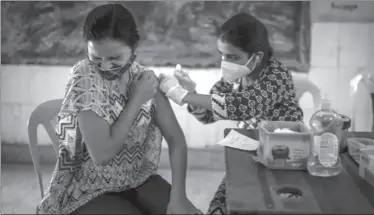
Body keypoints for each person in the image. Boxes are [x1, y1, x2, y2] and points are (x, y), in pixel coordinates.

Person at [36, 3, 200, 214]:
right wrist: (136, 100)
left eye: (114, 58)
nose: (104, 67)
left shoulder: (143, 78)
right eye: (95, 57)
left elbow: (176, 141)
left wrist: (179, 197)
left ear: (134, 48)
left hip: (137, 179)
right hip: (87, 188)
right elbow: (102, 155)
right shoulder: (84, 77)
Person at [159, 12, 304, 214]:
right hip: (250, 153)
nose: (226, 62)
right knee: (220, 207)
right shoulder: (236, 75)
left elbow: (242, 106)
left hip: (285, 157)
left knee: (268, 205)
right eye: (223, 55)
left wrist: (183, 95)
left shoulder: (276, 75)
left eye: (233, 56)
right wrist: (192, 93)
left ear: (257, 57)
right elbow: (208, 115)